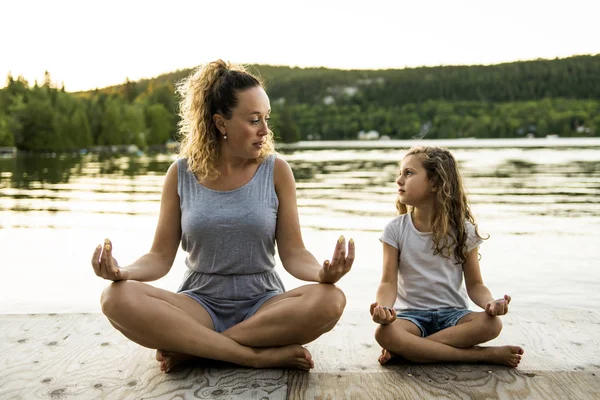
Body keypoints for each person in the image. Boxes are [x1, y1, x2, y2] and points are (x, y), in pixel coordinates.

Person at [91, 60, 354, 373]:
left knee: (331, 299)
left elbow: (294, 254)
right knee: (115, 297)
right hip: (198, 303)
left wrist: (323, 274)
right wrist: (122, 271)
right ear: (220, 123)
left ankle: (197, 348)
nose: (265, 131)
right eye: (254, 120)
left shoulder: (277, 171)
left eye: (266, 119)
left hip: (264, 305)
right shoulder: (180, 174)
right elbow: (160, 257)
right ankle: (251, 355)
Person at [370, 146, 523, 367]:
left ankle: (412, 351)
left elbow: (476, 285)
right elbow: (387, 282)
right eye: (400, 173)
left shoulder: (464, 230)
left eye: (409, 173)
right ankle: (480, 355)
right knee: (384, 334)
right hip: (411, 318)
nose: (399, 180)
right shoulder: (395, 230)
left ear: (435, 183)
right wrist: (383, 309)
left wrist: (490, 303)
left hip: (454, 317)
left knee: (492, 324)